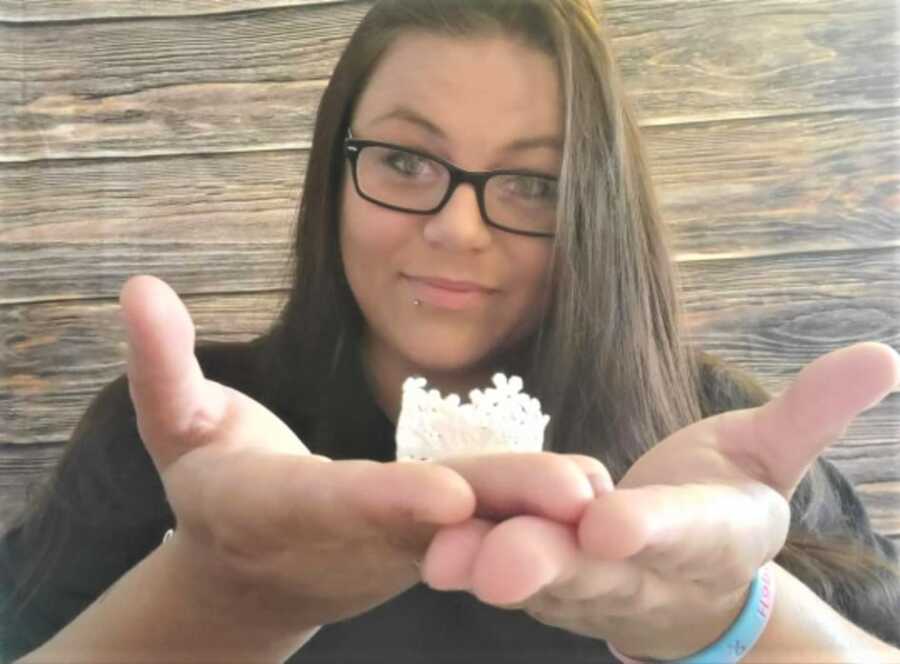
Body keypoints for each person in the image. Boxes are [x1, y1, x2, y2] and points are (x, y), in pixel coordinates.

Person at [2, 0, 899, 661]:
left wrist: (730, 619)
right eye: (402, 160)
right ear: (334, 174)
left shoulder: (723, 445)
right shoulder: (175, 433)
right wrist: (220, 594)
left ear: (598, 214)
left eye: (533, 185)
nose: (457, 229)